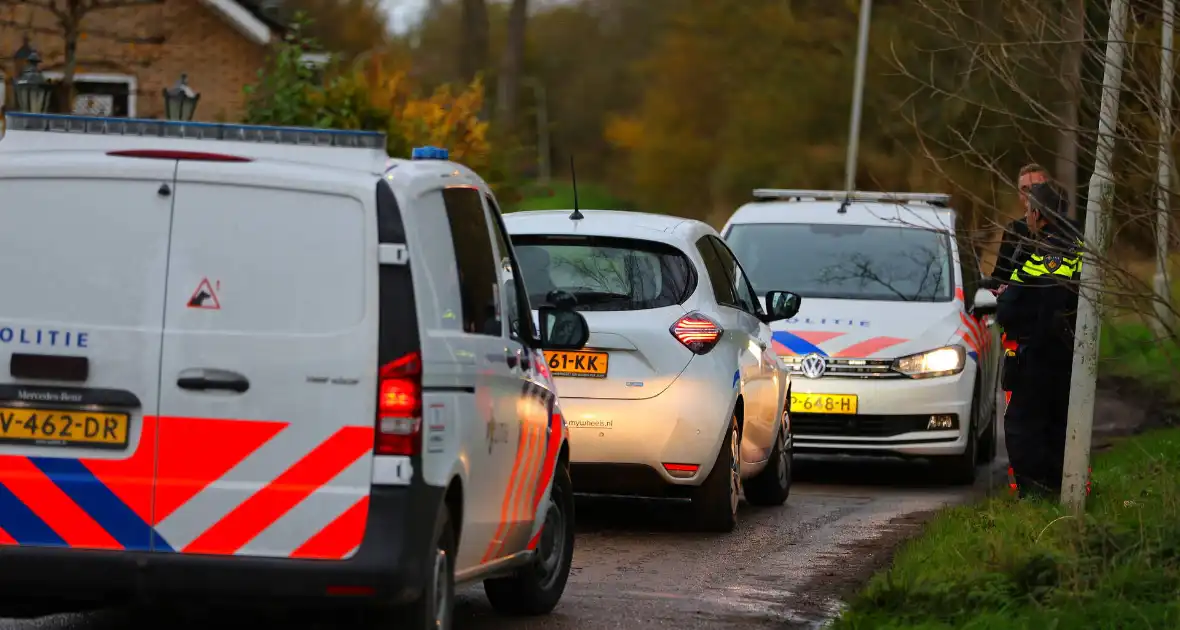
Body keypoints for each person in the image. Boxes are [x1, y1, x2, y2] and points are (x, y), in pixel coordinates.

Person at [996, 181, 1083, 499]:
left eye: (1028, 210)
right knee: (1057, 424)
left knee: (1024, 425)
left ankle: (1036, 493)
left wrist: (1003, 299)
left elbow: (1013, 305)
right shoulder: (1078, 244)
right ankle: (1062, 490)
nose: (1025, 216)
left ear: (1038, 213)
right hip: (1066, 350)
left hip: (1039, 353)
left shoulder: (1046, 253)